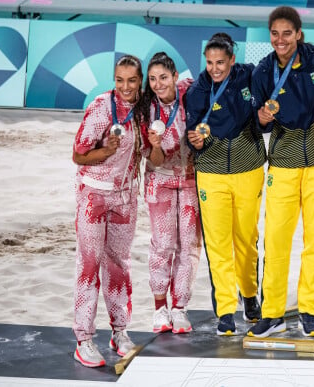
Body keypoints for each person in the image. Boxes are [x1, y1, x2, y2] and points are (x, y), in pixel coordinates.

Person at [248, 6, 314, 338]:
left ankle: (309, 311)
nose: (280, 40)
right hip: (282, 163)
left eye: (287, 33)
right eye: (274, 33)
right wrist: (262, 119)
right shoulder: (262, 71)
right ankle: (273, 313)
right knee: (277, 242)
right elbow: (254, 121)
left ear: (299, 33)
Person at [185, 33, 266, 336]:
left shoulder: (249, 76)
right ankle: (225, 309)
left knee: (246, 240)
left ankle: (249, 295)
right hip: (212, 173)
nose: (215, 68)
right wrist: (194, 141)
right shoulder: (196, 92)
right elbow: (192, 135)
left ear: (233, 60)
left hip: (249, 170)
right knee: (218, 245)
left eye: (221, 62)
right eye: (209, 63)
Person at [72, 54, 144, 367]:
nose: (125, 87)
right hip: (95, 197)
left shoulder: (144, 109)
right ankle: (84, 340)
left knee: (119, 266)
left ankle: (120, 333)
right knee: (89, 267)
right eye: (119, 80)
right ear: (114, 80)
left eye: (131, 80)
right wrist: (106, 151)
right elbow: (78, 155)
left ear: (140, 80)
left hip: (126, 197)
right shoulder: (101, 107)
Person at [139, 52, 202, 335]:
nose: (158, 84)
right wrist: (154, 144)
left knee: (189, 247)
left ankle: (180, 309)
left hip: (191, 181)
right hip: (160, 180)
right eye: (152, 79)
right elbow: (155, 160)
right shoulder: (145, 109)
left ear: (175, 77)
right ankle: (159, 309)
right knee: (162, 246)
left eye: (163, 77)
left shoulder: (192, 91)